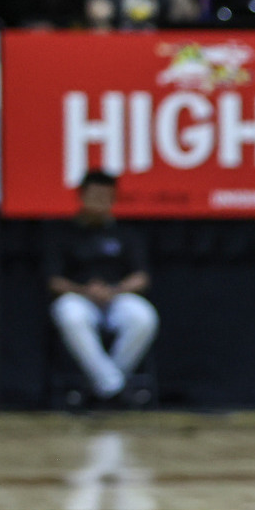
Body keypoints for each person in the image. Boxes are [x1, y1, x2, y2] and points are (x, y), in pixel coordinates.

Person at [45, 171, 158, 403]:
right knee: (69, 314)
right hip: (79, 297)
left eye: (106, 197)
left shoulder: (126, 233)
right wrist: (85, 291)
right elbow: (53, 280)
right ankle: (115, 388)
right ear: (82, 196)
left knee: (143, 317)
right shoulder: (62, 233)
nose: (100, 202)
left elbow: (141, 277)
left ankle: (104, 385)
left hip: (116, 297)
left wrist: (113, 291)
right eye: (95, 196)